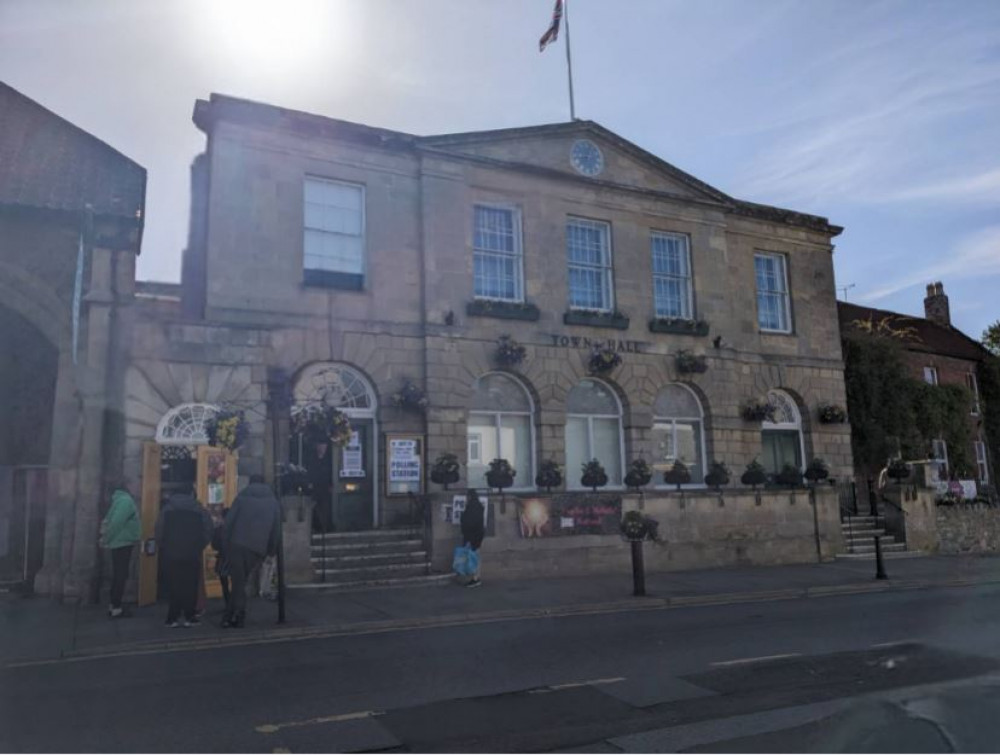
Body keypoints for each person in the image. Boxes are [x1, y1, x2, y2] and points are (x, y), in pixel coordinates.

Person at [222, 474, 280, 628]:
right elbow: (276, 529)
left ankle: (235, 616)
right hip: (256, 548)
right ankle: (232, 615)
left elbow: (228, 523)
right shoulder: (273, 502)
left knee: (238, 582)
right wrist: (271, 550)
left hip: (236, 543)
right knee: (240, 582)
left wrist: (225, 544)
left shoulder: (241, 498)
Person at [155, 486, 212, 628]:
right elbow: (208, 529)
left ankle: (172, 617)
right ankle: (190, 616)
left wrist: (164, 546)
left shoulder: (167, 509)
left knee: (174, 584)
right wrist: (200, 544)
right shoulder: (199, 509)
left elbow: (159, 530)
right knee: (191, 585)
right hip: (192, 552)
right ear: (192, 493)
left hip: (171, 552)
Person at [99, 478, 141, 618]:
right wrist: (107, 539)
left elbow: (109, 520)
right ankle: (116, 607)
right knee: (121, 575)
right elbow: (116, 522)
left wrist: (106, 539)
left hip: (119, 541)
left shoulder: (117, 500)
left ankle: (114, 605)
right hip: (122, 542)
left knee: (119, 574)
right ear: (126, 486)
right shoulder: (125, 501)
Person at [460, 489, 485, 588]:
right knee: (476, 556)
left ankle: (475, 578)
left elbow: (469, 522)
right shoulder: (477, 506)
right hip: (477, 534)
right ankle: (476, 577)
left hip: (473, 535)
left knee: (474, 557)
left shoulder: (472, 507)